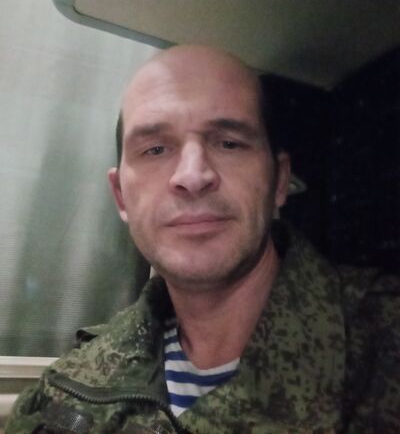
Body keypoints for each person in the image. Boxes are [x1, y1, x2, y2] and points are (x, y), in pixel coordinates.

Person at [6, 45, 399, 433]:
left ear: (279, 181)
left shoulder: (383, 345)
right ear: (121, 196)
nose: (192, 176)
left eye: (229, 143)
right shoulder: (67, 385)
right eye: (155, 149)